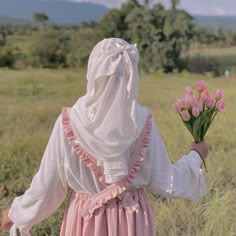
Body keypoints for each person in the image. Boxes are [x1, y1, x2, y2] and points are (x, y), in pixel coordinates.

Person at [1, 38, 208, 236]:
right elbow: (166, 181)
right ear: (131, 76)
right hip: (133, 222)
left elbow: (47, 187)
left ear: (93, 72)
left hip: (85, 221)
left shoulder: (70, 121)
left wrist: (17, 214)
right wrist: (195, 156)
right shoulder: (143, 121)